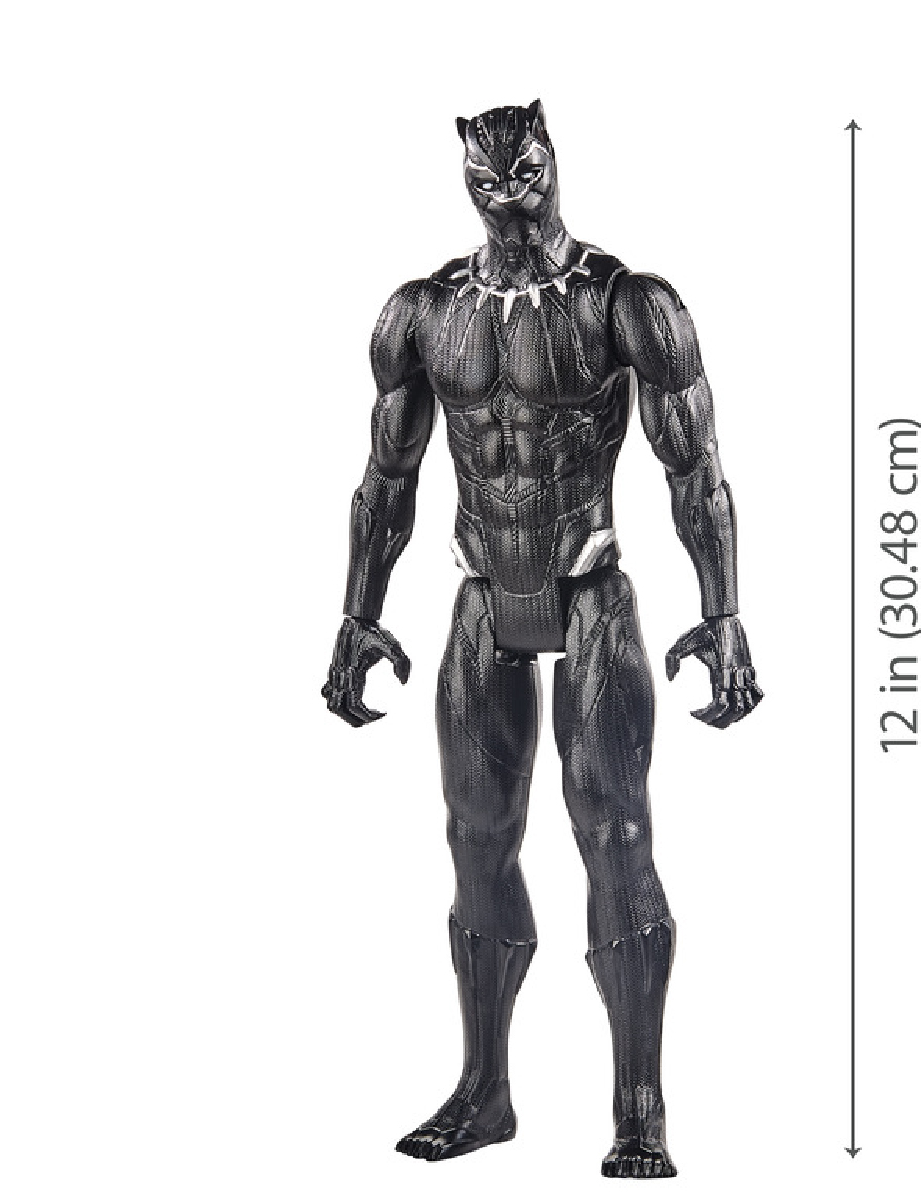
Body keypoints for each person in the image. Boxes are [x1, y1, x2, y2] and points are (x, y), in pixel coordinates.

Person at [322, 100, 762, 1179]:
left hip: (590, 587)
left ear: (553, 158)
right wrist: (357, 612)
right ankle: (485, 1091)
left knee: (614, 834)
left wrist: (725, 612)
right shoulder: (423, 313)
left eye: (525, 168)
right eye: (488, 174)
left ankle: (640, 1106)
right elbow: (386, 477)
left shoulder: (627, 302)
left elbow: (695, 466)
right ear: (464, 175)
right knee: (474, 838)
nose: (509, 190)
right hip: (482, 595)